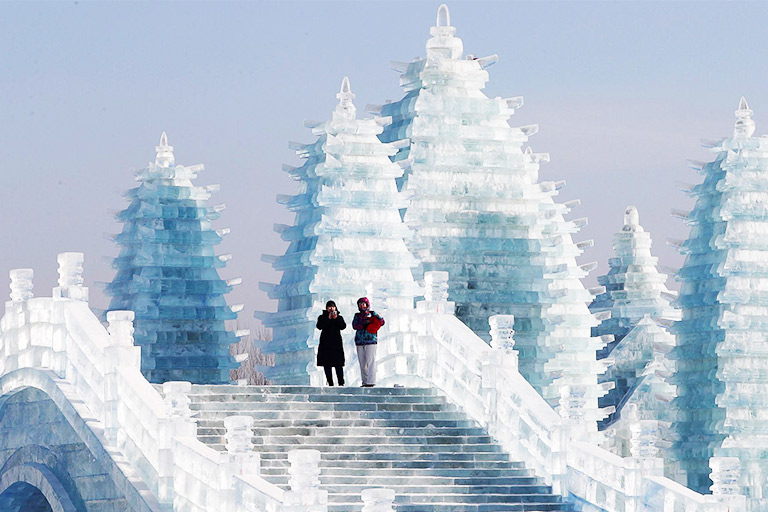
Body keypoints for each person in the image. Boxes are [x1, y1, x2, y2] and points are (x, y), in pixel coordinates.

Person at [352, 297, 385, 387]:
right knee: (362, 363)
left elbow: (382, 322)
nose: (362, 305)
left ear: (367, 305)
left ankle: (371, 382)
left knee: (371, 361)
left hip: (371, 340)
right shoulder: (357, 315)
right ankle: (365, 381)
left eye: (364, 304)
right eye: (360, 304)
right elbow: (354, 325)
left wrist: (375, 317)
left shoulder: (372, 314)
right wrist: (364, 323)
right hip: (359, 341)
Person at [316, 300, 346, 386]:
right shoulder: (322, 317)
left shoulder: (339, 317)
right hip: (325, 343)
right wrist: (328, 318)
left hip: (336, 344)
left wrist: (336, 319)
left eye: (333, 306)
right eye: (329, 307)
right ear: (326, 308)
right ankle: (330, 382)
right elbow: (319, 326)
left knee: (338, 364)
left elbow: (343, 326)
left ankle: (341, 382)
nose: (331, 308)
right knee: (327, 364)